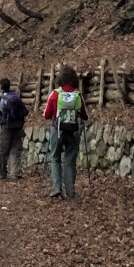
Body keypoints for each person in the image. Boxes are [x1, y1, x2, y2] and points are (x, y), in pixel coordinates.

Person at [43, 65, 88, 199]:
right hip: (73, 132)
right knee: (70, 161)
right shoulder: (78, 95)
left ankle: (57, 188)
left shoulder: (55, 94)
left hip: (57, 130)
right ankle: (70, 191)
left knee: (55, 157)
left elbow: (46, 114)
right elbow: (85, 115)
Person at [0, 77, 28, 180]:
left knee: (3, 151)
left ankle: (2, 174)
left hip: (5, 128)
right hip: (18, 126)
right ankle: (15, 173)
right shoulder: (16, 97)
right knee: (15, 149)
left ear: (0, 87)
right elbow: (25, 111)